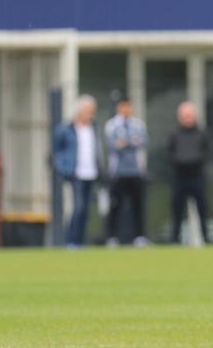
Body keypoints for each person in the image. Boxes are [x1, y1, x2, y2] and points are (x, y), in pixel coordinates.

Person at [52, 95, 103, 248]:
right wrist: (64, 168)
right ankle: (71, 240)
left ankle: (80, 240)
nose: (91, 114)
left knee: (86, 210)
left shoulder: (94, 128)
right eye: (88, 111)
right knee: (78, 207)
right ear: (80, 111)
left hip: (91, 173)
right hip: (76, 174)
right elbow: (57, 152)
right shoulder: (66, 129)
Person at [104, 95, 149, 247]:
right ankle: (112, 237)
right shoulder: (111, 125)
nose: (126, 109)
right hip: (118, 172)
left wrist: (125, 142)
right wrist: (130, 142)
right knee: (115, 206)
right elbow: (113, 145)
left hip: (136, 172)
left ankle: (140, 236)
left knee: (138, 205)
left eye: (128, 106)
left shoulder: (138, 124)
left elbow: (142, 142)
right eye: (123, 106)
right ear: (119, 107)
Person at [167, 100, 209, 244]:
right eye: (185, 116)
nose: (187, 118)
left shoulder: (201, 134)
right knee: (177, 210)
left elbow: (206, 152)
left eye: (189, 115)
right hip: (179, 177)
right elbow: (169, 153)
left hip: (197, 177)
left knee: (202, 209)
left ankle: (206, 238)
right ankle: (175, 239)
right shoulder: (174, 134)